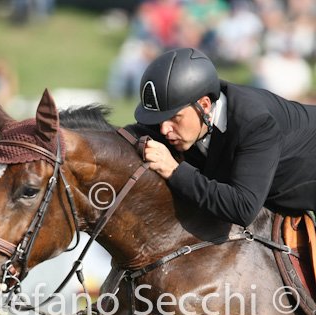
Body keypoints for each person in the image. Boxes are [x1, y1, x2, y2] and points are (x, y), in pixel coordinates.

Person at [133, 47, 316, 227]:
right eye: (159, 120)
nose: (164, 129)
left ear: (204, 105)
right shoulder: (185, 108)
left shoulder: (255, 124)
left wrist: (175, 171)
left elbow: (242, 208)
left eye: (174, 118)